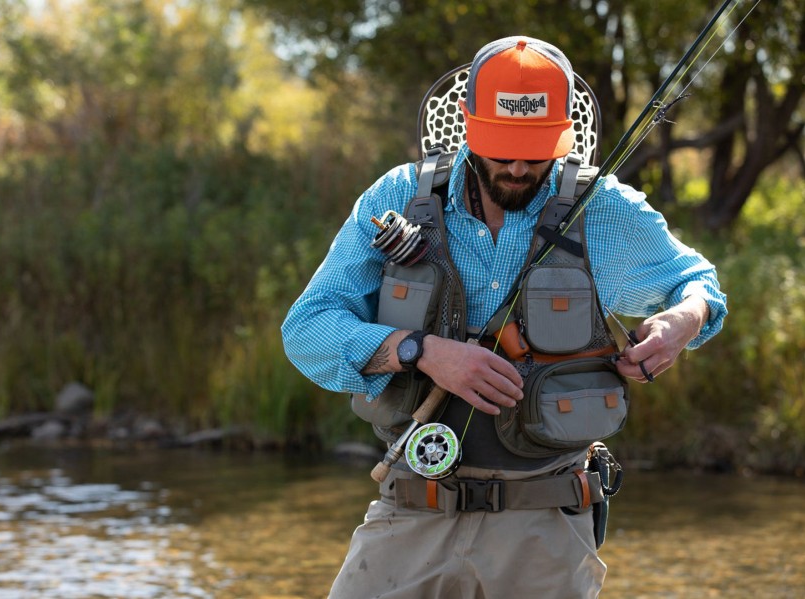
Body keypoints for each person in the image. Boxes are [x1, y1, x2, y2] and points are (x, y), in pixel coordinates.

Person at [281, 36, 727, 598]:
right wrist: (422, 351)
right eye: (501, 147)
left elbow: (699, 287)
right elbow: (307, 328)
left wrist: (681, 323)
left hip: (546, 527)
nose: (517, 166)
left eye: (535, 150)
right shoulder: (397, 195)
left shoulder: (604, 208)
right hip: (410, 509)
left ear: (565, 135)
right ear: (467, 126)